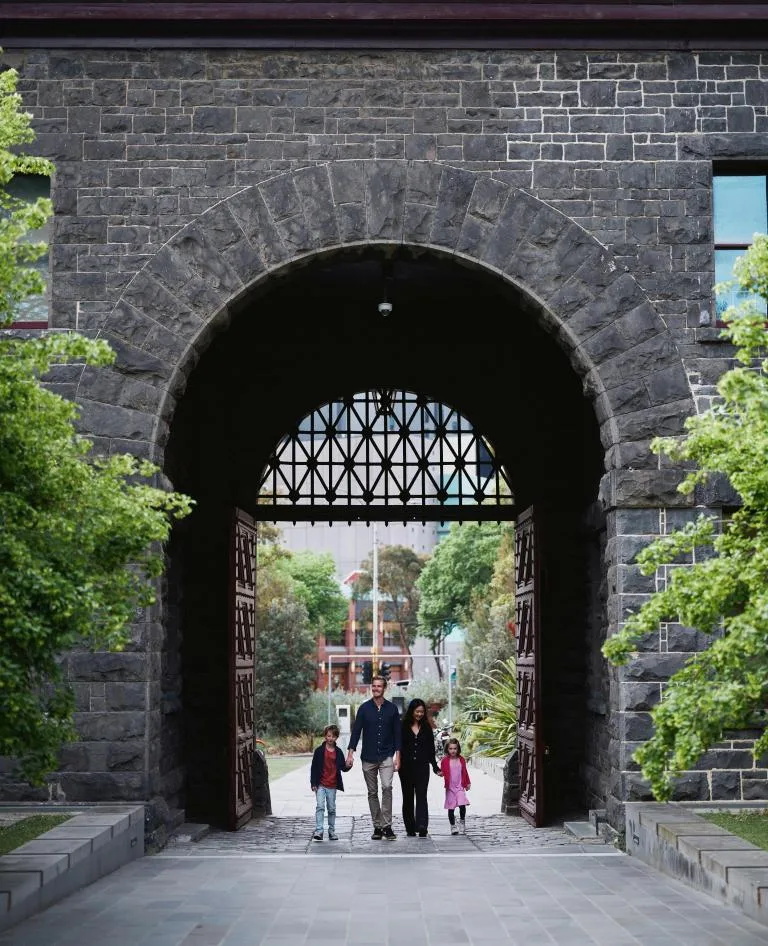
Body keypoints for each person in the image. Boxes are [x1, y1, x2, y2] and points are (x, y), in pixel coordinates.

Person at [346, 674, 401, 840]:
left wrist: (398, 757)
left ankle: (387, 826)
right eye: (374, 686)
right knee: (372, 792)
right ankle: (377, 827)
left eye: (379, 686)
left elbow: (397, 735)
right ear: (372, 687)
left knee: (387, 788)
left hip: (386, 756)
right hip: (368, 757)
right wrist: (350, 754)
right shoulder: (364, 709)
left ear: (384, 688)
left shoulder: (392, 709)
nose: (376, 688)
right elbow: (356, 732)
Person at [399, 698, 440, 837]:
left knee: (422, 795)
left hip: (422, 767)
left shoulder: (427, 727)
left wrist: (435, 767)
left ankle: (422, 826)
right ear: (411, 711)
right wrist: (396, 761)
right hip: (406, 768)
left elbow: (431, 749)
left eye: (422, 712)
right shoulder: (403, 726)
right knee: (408, 797)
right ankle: (410, 827)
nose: (419, 714)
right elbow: (398, 747)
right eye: (417, 711)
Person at [310, 723, 352, 841]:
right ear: (325, 736)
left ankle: (332, 831)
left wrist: (349, 765)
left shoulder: (338, 752)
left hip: (332, 785)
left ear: (336, 738)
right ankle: (319, 831)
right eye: (328, 736)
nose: (330, 738)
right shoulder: (319, 751)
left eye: (333, 736)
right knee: (320, 806)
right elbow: (313, 768)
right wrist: (313, 783)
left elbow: (343, 768)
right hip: (320, 784)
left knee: (331, 808)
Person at [440, 736, 471, 835]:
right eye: (450, 748)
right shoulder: (444, 761)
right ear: (447, 749)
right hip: (450, 788)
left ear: (458, 749)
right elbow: (443, 772)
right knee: (451, 808)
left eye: (455, 748)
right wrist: (440, 773)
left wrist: (467, 783)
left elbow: (465, 772)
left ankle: (462, 821)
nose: (453, 751)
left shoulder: (461, 759)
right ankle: (453, 826)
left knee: (462, 804)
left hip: (460, 787)